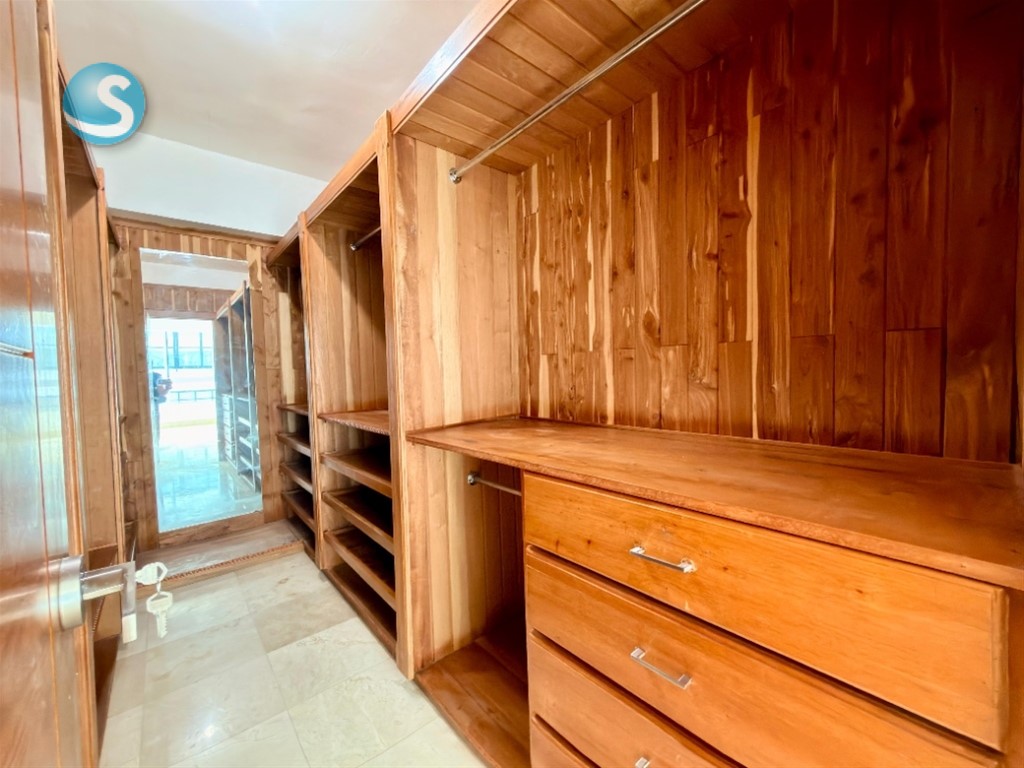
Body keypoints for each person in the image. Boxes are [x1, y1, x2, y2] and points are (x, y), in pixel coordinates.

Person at [151, 372, 172, 443]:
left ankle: (155, 441)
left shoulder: (156, 376)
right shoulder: (156, 376)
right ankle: (155, 441)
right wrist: (167, 388)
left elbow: (162, 392)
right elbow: (162, 392)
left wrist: (167, 389)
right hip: (152, 405)